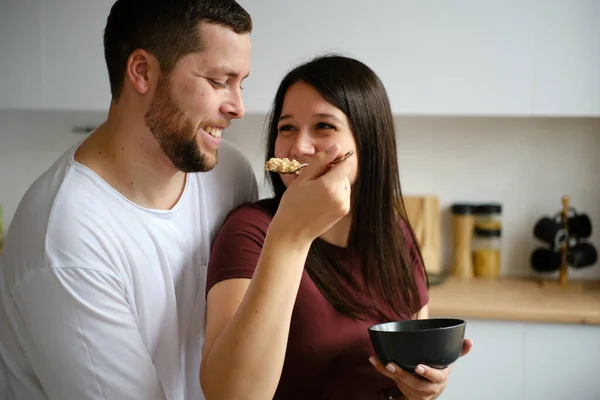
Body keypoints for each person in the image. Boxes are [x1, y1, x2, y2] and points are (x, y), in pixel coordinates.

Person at [0, 1, 256, 399]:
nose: (238, 107)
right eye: (219, 80)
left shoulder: (230, 175)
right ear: (142, 71)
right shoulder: (67, 238)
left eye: (242, 83)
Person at [200, 54, 473, 399]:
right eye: (287, 128)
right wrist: (290, 234)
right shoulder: (250, 231)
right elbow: (229, 395)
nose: (299, 147)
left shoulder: (396, 234)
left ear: (367, 143)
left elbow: (410, 363)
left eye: (323, 126)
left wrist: (424, 385)